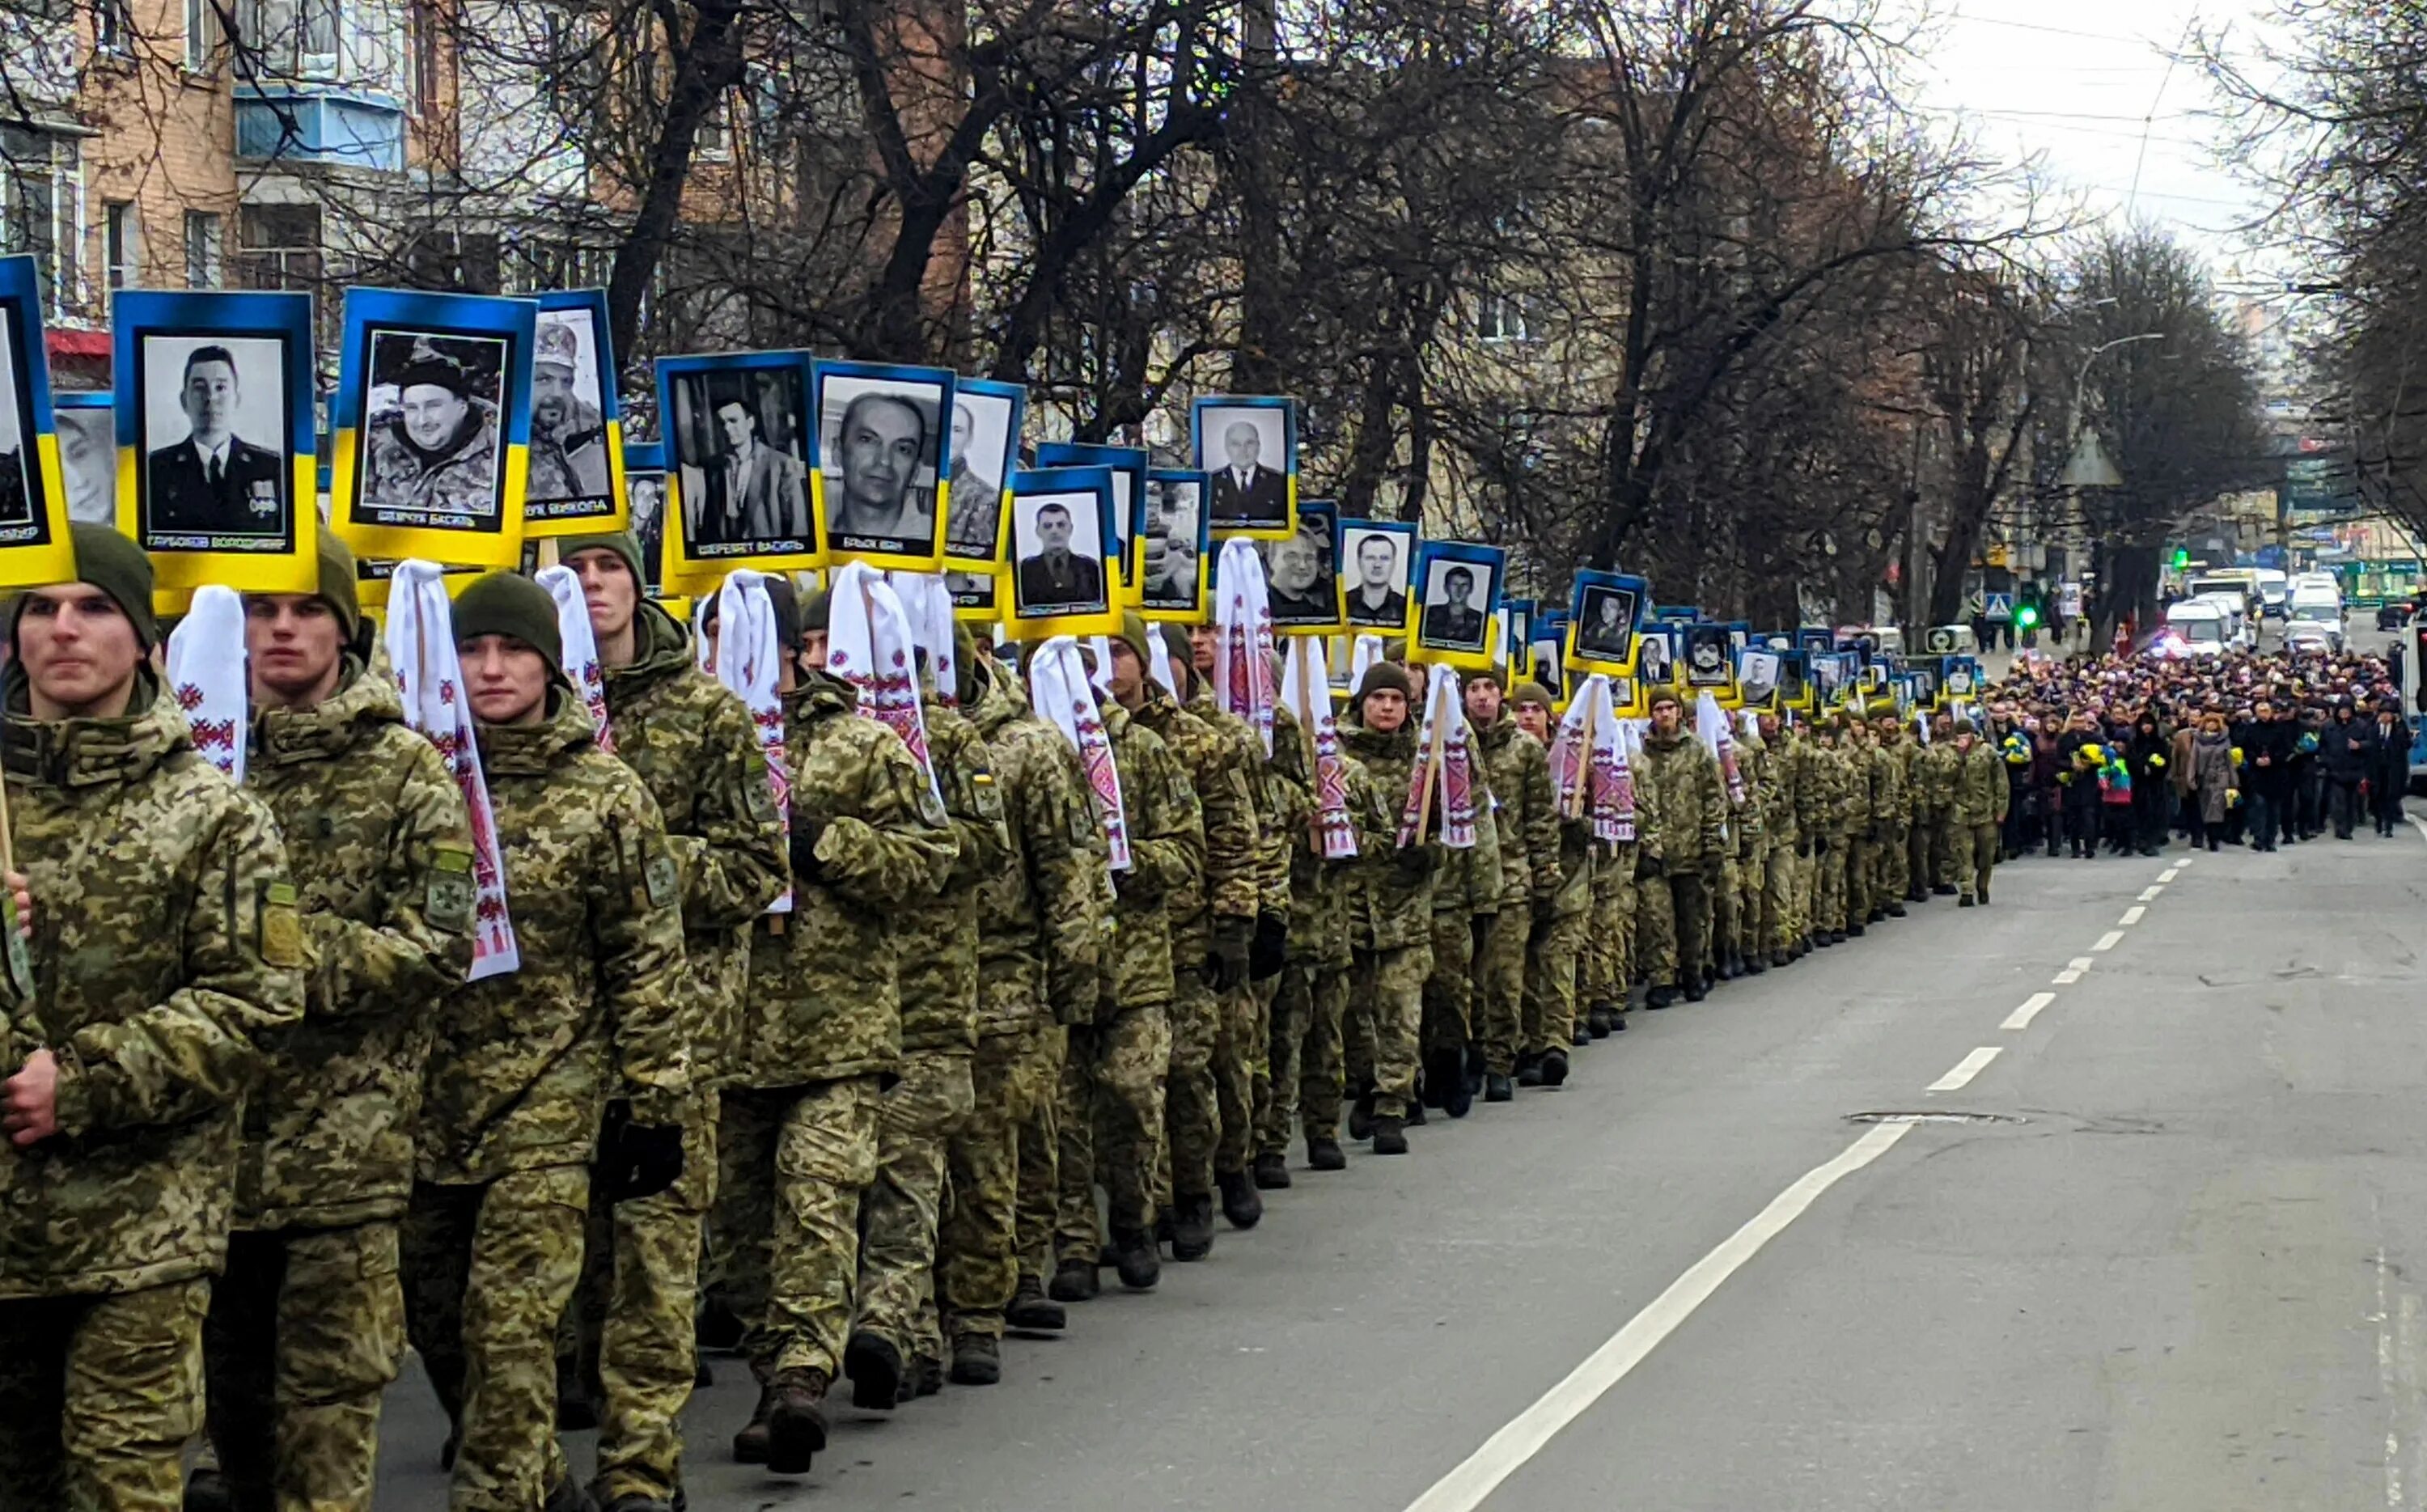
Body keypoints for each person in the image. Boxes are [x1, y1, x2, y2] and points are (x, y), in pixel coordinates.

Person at [0, 524, 304, 1510]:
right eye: (40, 608)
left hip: (143, 1228)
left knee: (120, 1488)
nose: (63, 630)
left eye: (93, 608)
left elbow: (258, 1002)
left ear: (143, 638)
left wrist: (79, 1084)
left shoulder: (214, 814)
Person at [192, 534, 477, 1512]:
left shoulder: (407, 772)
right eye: (264, 610)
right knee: (231, 1423)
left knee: (327, 1421)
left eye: (306, 610)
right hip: (204, 1155)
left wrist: (275, 956)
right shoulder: (199, 760)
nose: (281, 629)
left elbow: (443, 942)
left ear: (344, 627)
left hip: (343, 1154)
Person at [404, 571, 694, 1512]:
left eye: (513, 650)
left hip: (551, 1100)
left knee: (511, 1324)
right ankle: (533, 1472)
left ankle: (502, 1494)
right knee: (436, 1315)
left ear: (547, 662)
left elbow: (646, 958)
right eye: (474, 651)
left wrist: (655, 1103)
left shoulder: (604, 794)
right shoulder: (414, 781)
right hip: (426, 1103)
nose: (491, 670)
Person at [553, 531, 789, 1512]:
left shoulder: (706, 713)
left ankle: (641, 1464)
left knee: (655, 1255)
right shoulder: (510, 707)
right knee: (563, 1258)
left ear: (638, 584)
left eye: (609, 567)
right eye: (574, 571)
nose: (593, 586)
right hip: (544, 1042)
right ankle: (524, 1433)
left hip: (672, 1031)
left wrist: (643, 865)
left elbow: (753, 867)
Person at [709, 582, 955, 1476]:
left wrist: (826, 844)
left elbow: (931, 862)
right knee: (739, 1237)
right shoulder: (694, 740)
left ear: (790, 650)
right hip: (723, 1036)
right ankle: (772, 1363)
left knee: (817, 1206)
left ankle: (799, 1387)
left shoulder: (860, 744)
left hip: (838, 1034)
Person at [938, 628, 1106, 1380]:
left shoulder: (1032, 746)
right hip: (916, 973)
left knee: (991, 1139)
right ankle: (914, 1313)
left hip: (1007, 968)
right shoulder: (887, 735)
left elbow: (1068, 864)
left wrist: (1077, 971)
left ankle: (984, 1299)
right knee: (919, 1157)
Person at [1049, 636, 1203, 1294]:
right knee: (1061, 1112)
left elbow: (1186, 850)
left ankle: (1136, 1219)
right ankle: (1077, 1244)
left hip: (1135, 965)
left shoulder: (1141, 750)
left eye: (1109, 656)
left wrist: (1124, 858)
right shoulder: (1036, 750)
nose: (1095, 672)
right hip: (1058, 967)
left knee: (1134, 1098)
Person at [1118, 614, 1256, 1261]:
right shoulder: (1074, 736)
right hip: (1112, 939)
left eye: (1123, 652)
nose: (1111, 666)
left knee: (1188, 1071)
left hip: (1185, 932)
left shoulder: (1197, 741)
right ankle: (1148, 1204)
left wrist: (1235, 921)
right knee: (1128, 1087)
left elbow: (1231, 832)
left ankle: (1197, 1187)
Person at [1335, 662, 1439, 1154]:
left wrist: (1431, 851)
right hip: (1350, 904)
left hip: (1405, 906)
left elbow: (1461, 818)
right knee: (1355, 1012)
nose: (1387, 708)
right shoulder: (1335, 754)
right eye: (1378, 699)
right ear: (1363, 703)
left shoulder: (1429, 755)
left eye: (1396, 700)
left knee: (1400, 1009)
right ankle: (1369, 1083)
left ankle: (1392, 1105)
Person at [1633, 688, 1725, 1004]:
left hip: (1690, 849)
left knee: (1692, 917)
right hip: (1655, 851)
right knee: (1657, 920)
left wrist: (1713, 843)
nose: (1664, 714)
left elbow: (1713, 798)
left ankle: (1693, 972)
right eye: (1658, 709)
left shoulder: (1697, 749)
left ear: (1679, 712)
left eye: (1669, 707)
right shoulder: (1641, 753)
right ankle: (1662, 979)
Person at [146, 344, 286, 534]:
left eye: (220, 387)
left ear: (236, 398)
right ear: (183, 400)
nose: (211, 398)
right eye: (199, 388)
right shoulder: (156, 469)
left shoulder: (271, 467)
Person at [363, 341, 503, 518]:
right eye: (412, 408)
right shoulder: (376, 447)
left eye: (433, 407)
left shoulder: (501, 453)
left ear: (462, 408)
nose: (422, 421)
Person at [694, 395, 809, 544]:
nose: (727, 428)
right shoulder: (714, 468)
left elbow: (798, 525)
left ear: (750, 423)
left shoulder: (781, 464)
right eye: (721, 423)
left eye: (733, 421)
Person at [825, 392, 933, 548]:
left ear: (916, 470)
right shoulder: (806, 529)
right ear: (838, 452)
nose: (884, 461)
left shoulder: (939, 544)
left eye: (903, 449)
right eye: (867, 440)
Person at [526, 318, 610, 508]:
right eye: (544, 379)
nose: (557, 393)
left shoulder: (595, 433)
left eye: (566, 382)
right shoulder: (494, 438)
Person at [1015, 501, 1106, 612]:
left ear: (1071, 528)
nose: (1054, 531)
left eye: (1061, 525)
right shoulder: (1024, 570)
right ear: (1038, 531)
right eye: (1047, 526)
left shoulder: (1091, 568)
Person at [942, 402, 1002, 557]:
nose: (948, 436)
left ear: (969, 439)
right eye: (943, 426)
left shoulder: (987, 498)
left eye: (957, 430)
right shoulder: (903, 486)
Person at [1207, 420, 1287, 525]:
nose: (1243, 450)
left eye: (1249, 443)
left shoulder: (1279, 482)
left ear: (1258, 446)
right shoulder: (1210, 482)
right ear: (1226, 448)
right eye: (1236, 444)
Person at [2321, 698, 2374, 839]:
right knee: (2339, 801)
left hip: (2355, 769)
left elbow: (2371, 744)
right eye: (2341, 711)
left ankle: (2348, 826)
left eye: (2347, 711)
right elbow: (2322, 746)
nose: (2344, 713)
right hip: (2335, 769)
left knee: (2352, 802)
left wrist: (2360, 745)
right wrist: (2326, 760)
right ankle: (2340, 828)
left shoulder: (2361, 725)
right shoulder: (2328, 726)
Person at [1264, 527, 1334, 623]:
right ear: (1271, 559)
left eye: (1309, 557)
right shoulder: (1258, 610)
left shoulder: (1322, 617)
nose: (1302, 565)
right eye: (1292, 556)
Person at [1346, 533, 1407, 626]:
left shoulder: (1405, 608)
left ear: (1394, 563)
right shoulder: (1341, 604)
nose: (1377, 565)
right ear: (1359, 562)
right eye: (1370, 558)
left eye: (1385, 558)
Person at [2370, 699, 2409, 836]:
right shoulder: (2374, 727)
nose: (2386, 717)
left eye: (2389, 714)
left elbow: (2406, 744)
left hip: (2393, 768)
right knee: (2377, 796)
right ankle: (2378, 820)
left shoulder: (2399, 728)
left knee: (2390, 797)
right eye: (2383, 713)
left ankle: (2389, 826)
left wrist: (2396, 729)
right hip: (2377, 768)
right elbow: (2370, 745)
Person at [1422, 565, 1486, 647]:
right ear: (1446, 588)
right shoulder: (1429, 614)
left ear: (1471, 589)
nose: (1459, 590)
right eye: (1455, 584)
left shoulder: (1481, 620)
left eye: (1464, 585)